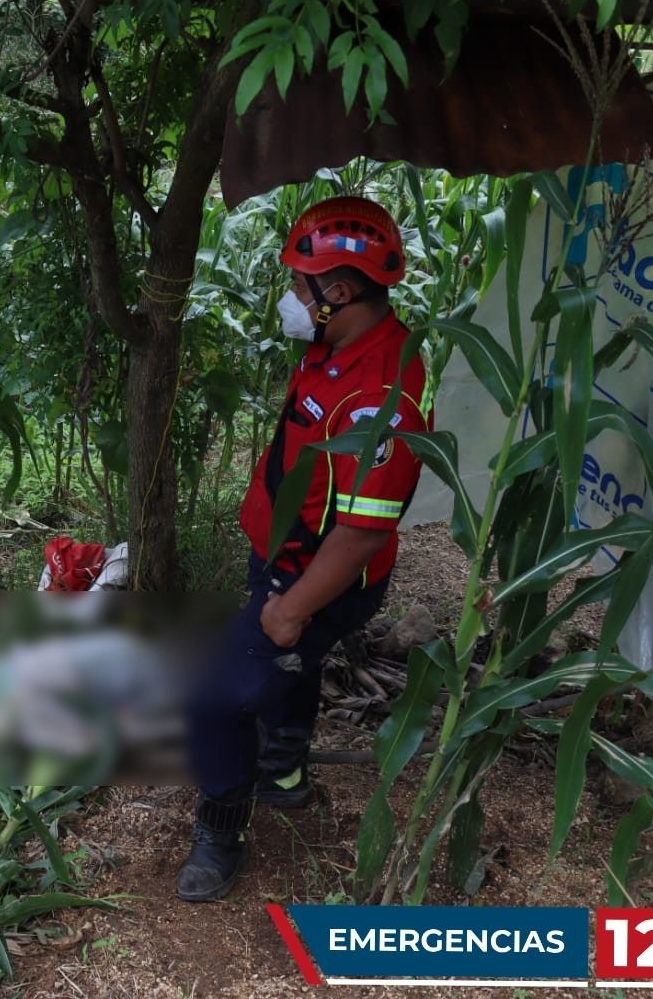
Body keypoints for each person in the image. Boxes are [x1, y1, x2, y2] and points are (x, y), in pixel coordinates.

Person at [179, 197, 432, 902]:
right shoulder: (336, 346)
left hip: (319, 574)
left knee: (213, 698)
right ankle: (284, 773)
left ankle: (221, 828)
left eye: (300, 283)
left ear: (340, 292)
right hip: (288, 555)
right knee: (289, 665)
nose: (292, 296)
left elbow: (361, 532)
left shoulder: (384, 393)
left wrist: (291, 607)